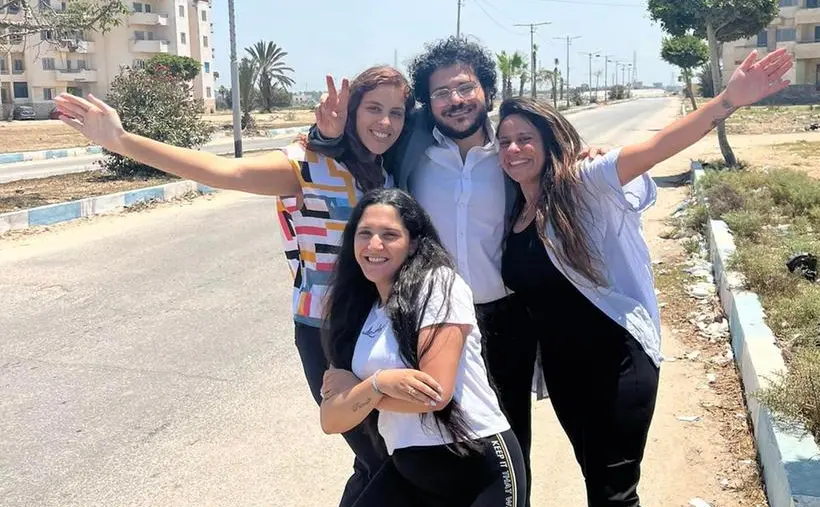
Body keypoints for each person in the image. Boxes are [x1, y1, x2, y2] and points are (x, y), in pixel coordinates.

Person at [52, 65, 416, 506]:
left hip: (376, 327)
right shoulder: (304, 166)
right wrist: (122, 140)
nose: (385, 122)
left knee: (381, 456)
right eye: (373, 108)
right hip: (327, 331)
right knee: (383, 459)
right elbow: (223, 171)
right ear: (352, 110)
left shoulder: (383, 172)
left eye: (396, 112)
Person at [306, 39, 603, 503]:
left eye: (465, 87)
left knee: (503, 437)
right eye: (441, 93)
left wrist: (587, 156)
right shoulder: (413, 147)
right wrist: (324, 135)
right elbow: (367, 141)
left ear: (486, 89)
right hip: (420, 313)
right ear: (428, 104)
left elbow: (556, 169)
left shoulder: (510, 152)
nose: (455, 100)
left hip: (502, 319)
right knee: (396, 440)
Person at [495, 49, 793, 506]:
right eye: (504, 142)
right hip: (563, 372)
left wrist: (727, 101)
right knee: (597, 480)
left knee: (614, 493)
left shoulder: (582, 183)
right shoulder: (515, 208)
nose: (513, 150)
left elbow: (657, 148)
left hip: (617, 361)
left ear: (549, 140)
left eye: (524, 138)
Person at [319, 187, 526, 506]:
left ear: (413, 242)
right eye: (365, 233)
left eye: (389, 235)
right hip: (410, 470)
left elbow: (434, 394)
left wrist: (362, 392)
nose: (374, 245)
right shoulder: (358, 311)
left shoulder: (438, 284)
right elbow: (331, 420)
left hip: (477, 464)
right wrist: (379, 385)